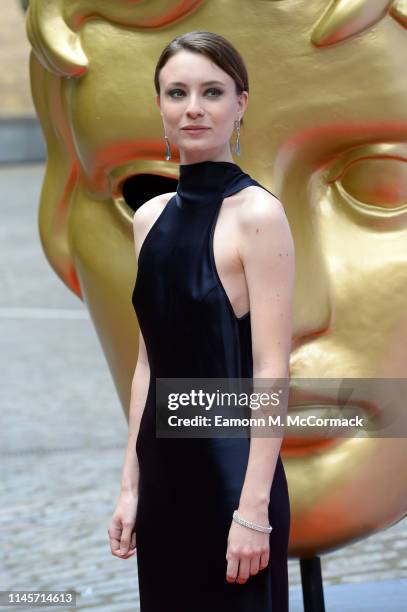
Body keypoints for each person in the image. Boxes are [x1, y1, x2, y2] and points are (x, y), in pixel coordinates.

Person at [108, 30, 295, 612]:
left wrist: (254, 512)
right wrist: (130, 488)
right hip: (164, 483)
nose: (193, 107)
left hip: (233, 484)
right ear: (159, 106)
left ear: (240, 103)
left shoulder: (259, 216)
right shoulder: (148, 218)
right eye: (177, 92)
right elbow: (147, 364)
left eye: (212, 92)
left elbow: (271, 370)